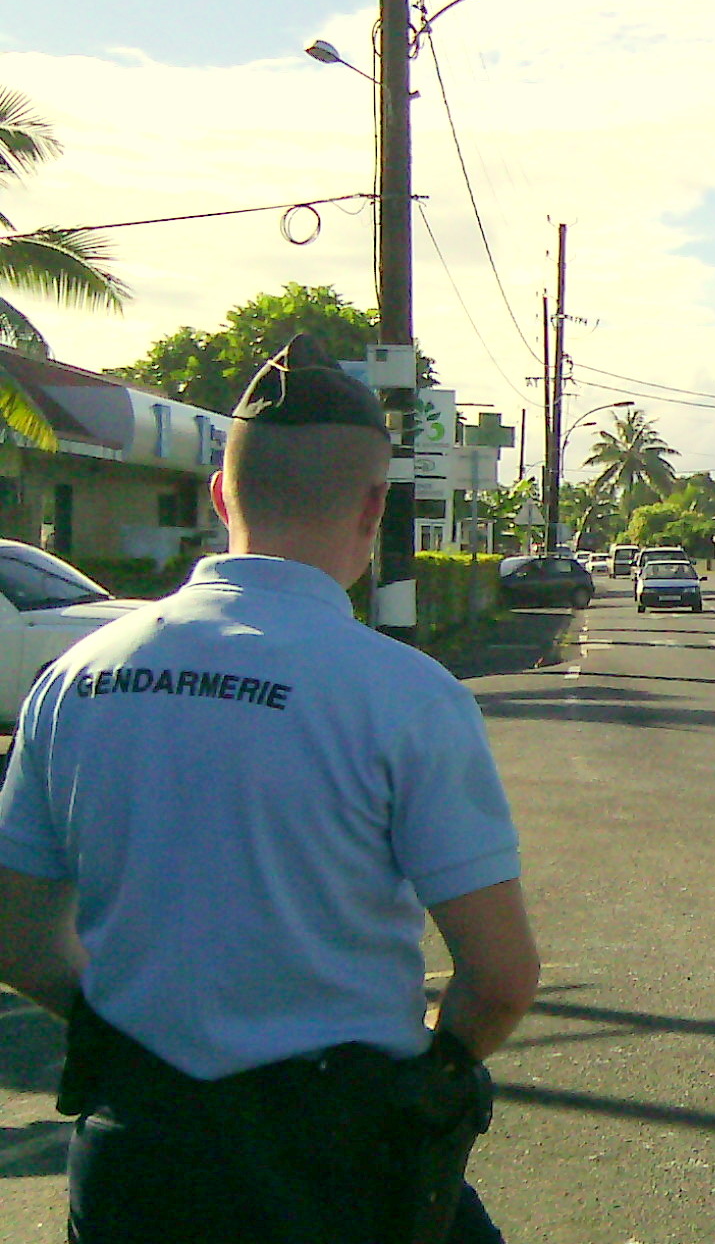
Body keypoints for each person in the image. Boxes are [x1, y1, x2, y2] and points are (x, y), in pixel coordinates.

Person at [0, 336, 540, 1242]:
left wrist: (126, 1032)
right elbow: (502, 976)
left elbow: (16, 932)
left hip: (137, 1151)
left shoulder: (75, 676)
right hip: (341, 1158)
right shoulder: (406, 696)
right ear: (374, 507)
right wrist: (432, 1082)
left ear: (220, 496)